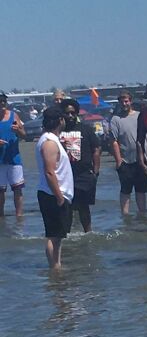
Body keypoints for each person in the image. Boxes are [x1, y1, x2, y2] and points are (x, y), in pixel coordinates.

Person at [36, 105, 73, 269]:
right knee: (53, 236)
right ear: (60, 121)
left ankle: (57, 265)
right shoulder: (49, 142)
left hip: (56, 194)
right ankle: (54, 268)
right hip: (52, 195)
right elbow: (49, 172)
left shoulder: (51, 139)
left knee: (57, 236)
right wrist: (59, 197)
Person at [60, 98, 100, 233]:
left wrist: (96, 171)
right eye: (67, 113)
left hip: (83, 175)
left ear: (77, 113)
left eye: (72, 113)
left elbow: (96, 149)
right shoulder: (58, 131)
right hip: (65, 176)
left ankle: (88, 234)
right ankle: (66, 236)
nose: (70, 116)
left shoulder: (86, 129)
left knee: (84, 208)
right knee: (67, 209)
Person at [108, 90, 147, 215]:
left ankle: (142, 214)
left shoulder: (139, 115)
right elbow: (113, 141)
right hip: (125, 160)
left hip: (141, 159)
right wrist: (118, 160)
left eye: (126, 101)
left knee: (141, 189)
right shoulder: (115, 119)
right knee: (125, 190)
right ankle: (125, 216)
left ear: (130, 101)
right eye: (121, 102)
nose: (124, 104)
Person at [0, 91, 25, 217]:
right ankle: (1, 218)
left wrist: (19, 130)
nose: (2, 103)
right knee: (0, 192)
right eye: (0, 100)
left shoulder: (13, 116)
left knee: (18, 189)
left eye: (4, 100)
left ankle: (19, 216)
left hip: (14, 159)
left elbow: (24, 135)